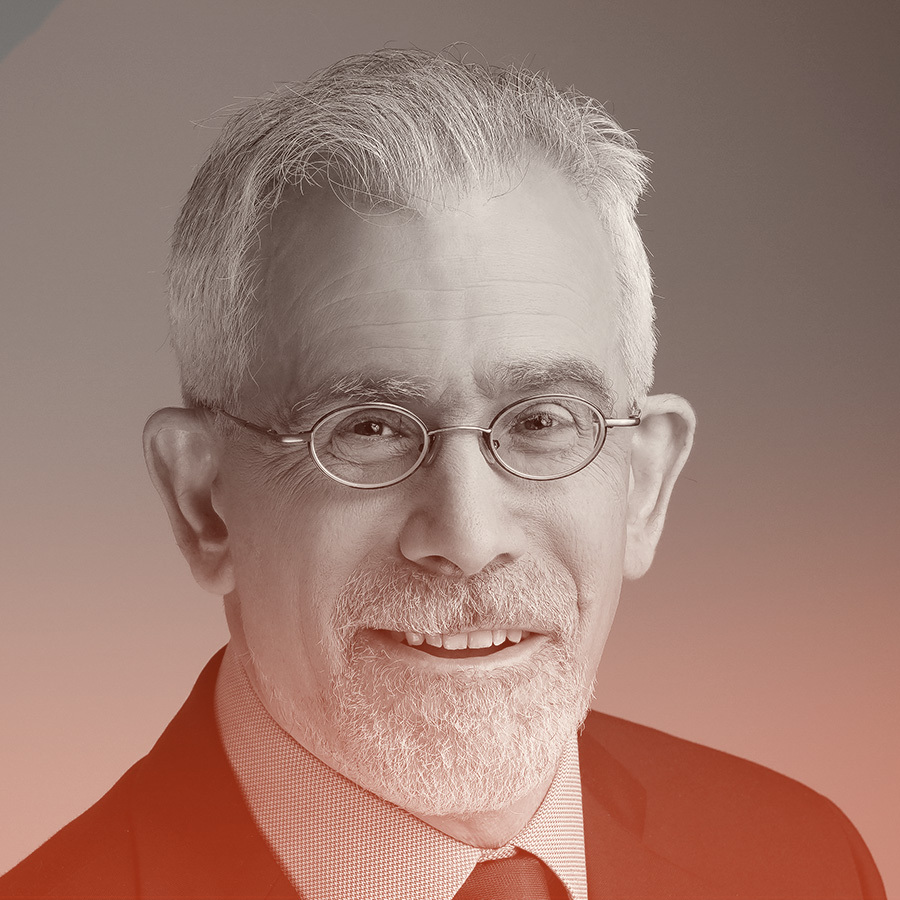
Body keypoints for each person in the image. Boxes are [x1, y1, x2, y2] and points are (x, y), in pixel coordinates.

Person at [0, 48, 885, 900]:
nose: (467, 537)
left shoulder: (807, 864)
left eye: (541, 423)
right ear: (204, 503)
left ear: (645, 486)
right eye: (368, 429)